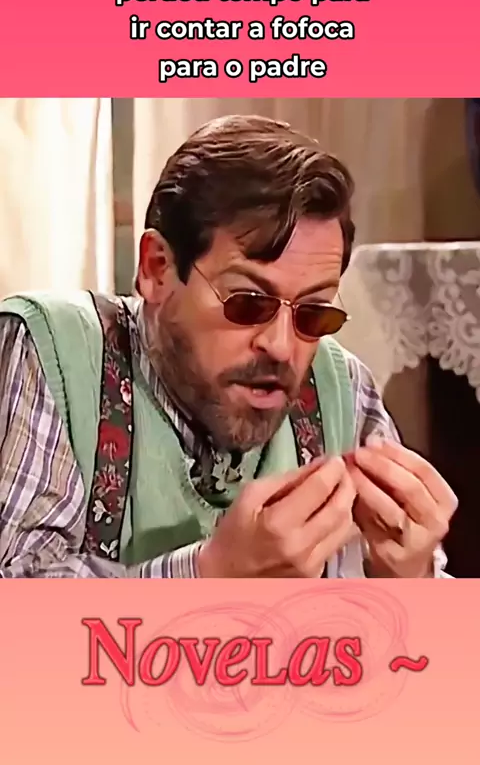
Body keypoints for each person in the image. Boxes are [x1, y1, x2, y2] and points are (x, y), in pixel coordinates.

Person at [0, 114, 457, 578]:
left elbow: (415, 606)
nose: (281, 347)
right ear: (157, 268)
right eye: (248, 302)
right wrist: (212, 575)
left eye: (313, 311)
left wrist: (410, 578)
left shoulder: (342, 388)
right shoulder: (53, 353)